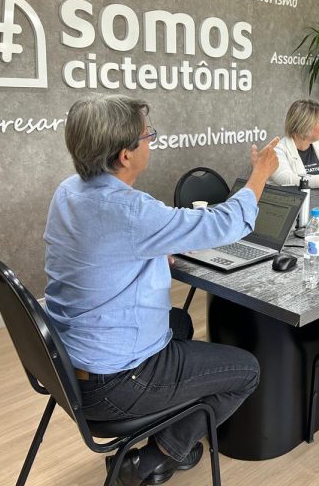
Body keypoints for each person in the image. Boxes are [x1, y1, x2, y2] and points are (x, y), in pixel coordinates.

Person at [43, 94, 280, 486]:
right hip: (114, 383)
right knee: (246, 372)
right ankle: (153, 457)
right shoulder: (131, 210)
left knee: (180, 323)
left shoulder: (67, 192)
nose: (151, 141)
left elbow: (99, 253)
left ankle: (163, 425)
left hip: (66, 365)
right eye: (147, 135)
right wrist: (260, 175)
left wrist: (149, 253)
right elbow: (227, 223)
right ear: (125, 155)